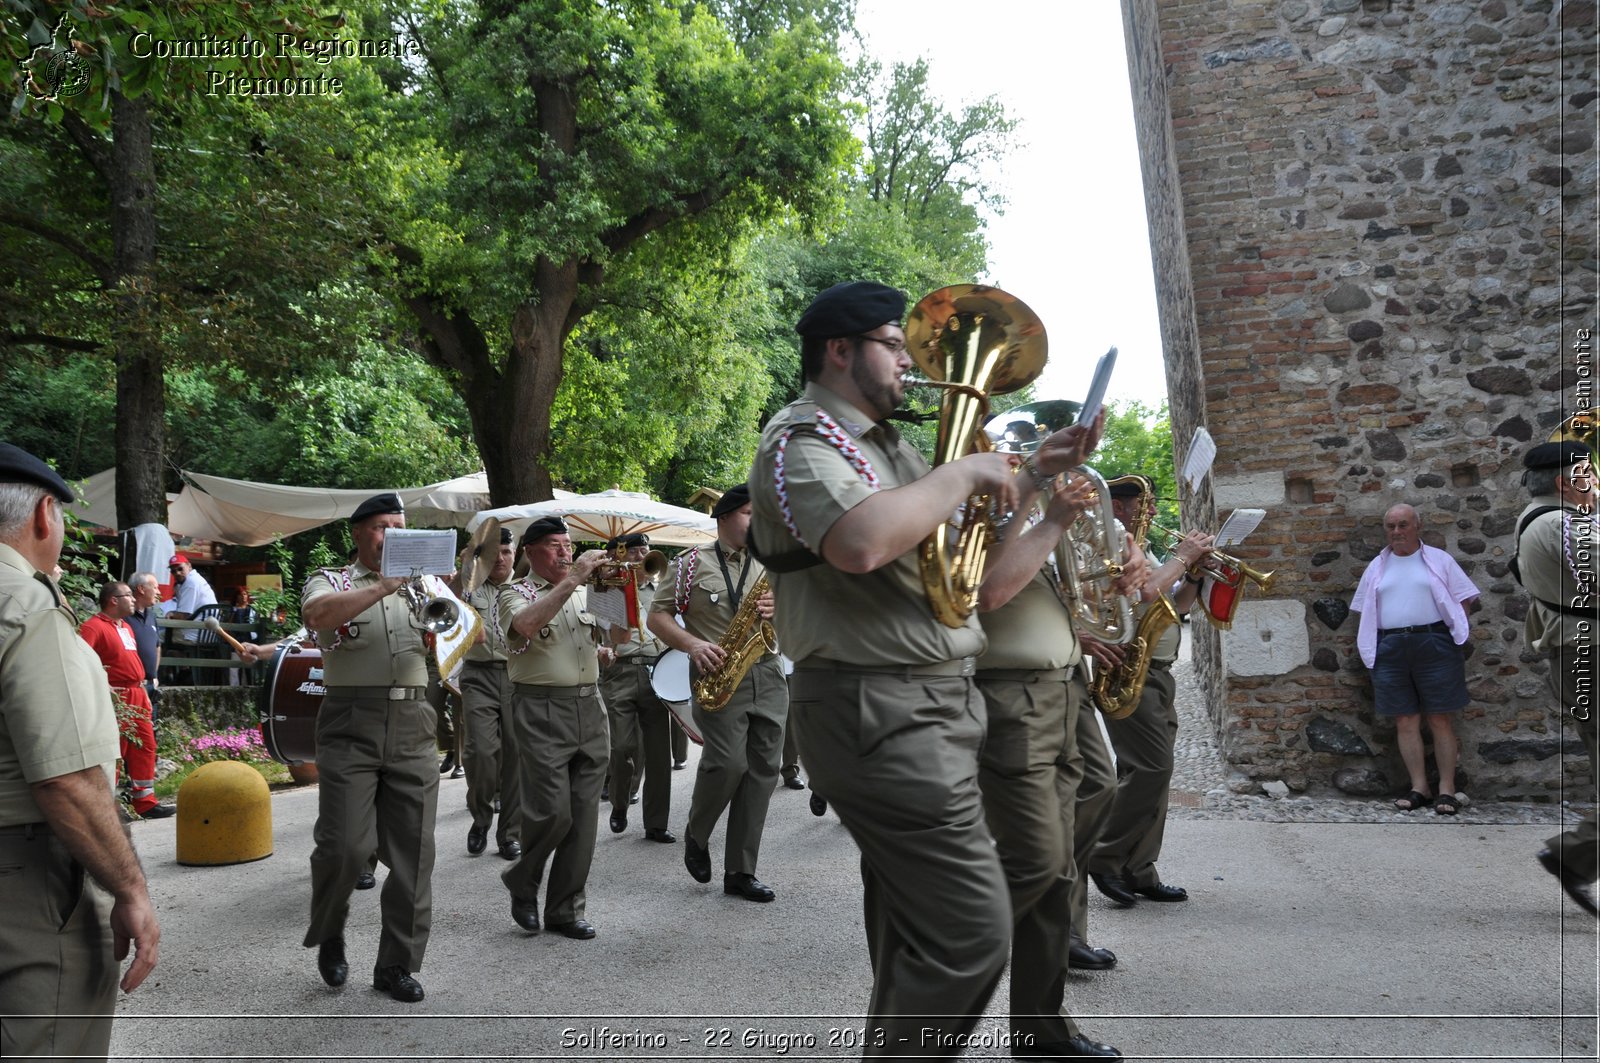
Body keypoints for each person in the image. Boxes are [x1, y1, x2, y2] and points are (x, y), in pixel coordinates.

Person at [747, 280, 1103, 1056]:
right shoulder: (801, 437)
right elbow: (860, 542)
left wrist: (1035, 478)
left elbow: (977, 587)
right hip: (876, 707)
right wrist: (968, 471)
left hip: (933, 705)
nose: (912, 360)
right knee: (972, 932)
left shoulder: (889, 448)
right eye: (894, 344)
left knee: (918, 929)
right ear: (840, 351)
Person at [0, 443, 160, 1059]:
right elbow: (65, 778)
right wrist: (131, 890)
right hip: (22, 880)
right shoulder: (27, 608)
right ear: (45, 514)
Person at [973, 470, 1122, 1058]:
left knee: (1053, 869)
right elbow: (990, 593)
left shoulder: (1042, 526)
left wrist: (1119, 582)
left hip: (1065, 692)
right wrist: (1052, 514)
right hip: (1013, 698)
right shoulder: (981, 523)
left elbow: (1069, 601)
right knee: (1039, 867)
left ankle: (1041, 1030)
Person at [299, 492, 438, 1003]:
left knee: (414, 854)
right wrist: (383, 586)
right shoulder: (332, 580)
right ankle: (331, 930)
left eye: (400, 527)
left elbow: (467, 643)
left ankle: (395, 964)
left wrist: (448, 632)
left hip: (414, 720)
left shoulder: (426, 587)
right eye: (383, 526)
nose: (392, 536)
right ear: (358, 532)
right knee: (344, 847)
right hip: (349, 720)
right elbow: (317, 615)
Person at [649, 484, 787, 901]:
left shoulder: (772, 563)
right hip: (717, 675)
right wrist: (691, 644)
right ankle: (698, 829)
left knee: (763, 771)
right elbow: (658, 616)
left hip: (768, 670)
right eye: (749, 513)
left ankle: (741, 871)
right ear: (725, 515)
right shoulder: (690, 563)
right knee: (727, 764)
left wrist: (782, 609)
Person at [1088, 480, 1213, 908]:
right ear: (1119, 506)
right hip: (1128, 667)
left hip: (1158, 671)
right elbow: (1142, 590)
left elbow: (1175, 606)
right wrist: (1184, 557)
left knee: (1155, 774)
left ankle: (1140, 869)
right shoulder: (1106, 542)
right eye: (1145, 504)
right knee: (1150, 769)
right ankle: (1104, 857)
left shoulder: (1145, 547)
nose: (1152, 511)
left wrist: (1193, 574)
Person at [497, 517, 609, 939]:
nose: (565, 552)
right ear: (530, 551)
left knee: (583, 817)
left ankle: (565, 910)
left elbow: (617, 632)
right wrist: (577, 576)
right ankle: (522, 878)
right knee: (553, 814)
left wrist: (610, 629)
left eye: (568, 545)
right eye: (554, 545)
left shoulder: (585, 591)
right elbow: (523, 627)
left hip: (589, 706)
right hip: (541, 709)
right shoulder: (515, 592)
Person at [1351, 503, 1480, 814]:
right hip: (1390, 646)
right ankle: (1419, 787)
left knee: (1439, 717)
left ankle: (1446, 790)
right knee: (1404, 719)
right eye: (1391, 526)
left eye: (1403, 525)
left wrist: (1453, 632)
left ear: (1417, 527)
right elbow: (1363, 609)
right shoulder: (1377, 566)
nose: (1397, 531)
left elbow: (1467, 598)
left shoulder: (1439, 560)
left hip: (1434, 641)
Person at [1515, 439, 1599, 915]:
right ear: (1566, 481)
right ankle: (1574, 856)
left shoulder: (1544, 517)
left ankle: (1577, 857)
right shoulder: (1561, 524)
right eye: (1588, 472)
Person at [602, 533, 676, 844]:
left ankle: (656, 823)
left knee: (659, 752)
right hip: (619, 671)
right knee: (621, 748)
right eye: (634, 550)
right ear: (620, 555)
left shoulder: (659, 589)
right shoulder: (603, 589)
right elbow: (595, 633)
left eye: (644, 550)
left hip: (656, 670)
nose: (642, 555)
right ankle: (619, 803)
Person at [78, 582, 174, 820]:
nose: (133, 599)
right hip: (117, 695)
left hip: (138, 693)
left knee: (146, 745)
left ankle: (145, 803)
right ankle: (107, 807)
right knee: (115, 750)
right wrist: (104, 687)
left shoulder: (125, 627)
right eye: (128, 595)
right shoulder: (93, 627)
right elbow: (80, 661)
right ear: (113, 600)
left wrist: (143, 690)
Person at [459, 526, 522, 861]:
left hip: (516, 677)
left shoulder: (526, 591)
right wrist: (466, 568)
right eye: (495, 551)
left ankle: (510, 833)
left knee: (516, 756)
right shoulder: (470, 587)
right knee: (481, 754)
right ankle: (481, 817)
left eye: (507, 552)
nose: (501, 558)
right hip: (479, 676)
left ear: (516, 555)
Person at [126, 572, 162, 724]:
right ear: (141, 589)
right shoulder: (124, 616)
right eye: (155, 587)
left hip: (149, 685)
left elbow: (157, 646)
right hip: (131, 686)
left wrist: (154, 675)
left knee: (150, 730)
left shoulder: (152, 616)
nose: (158, 592)